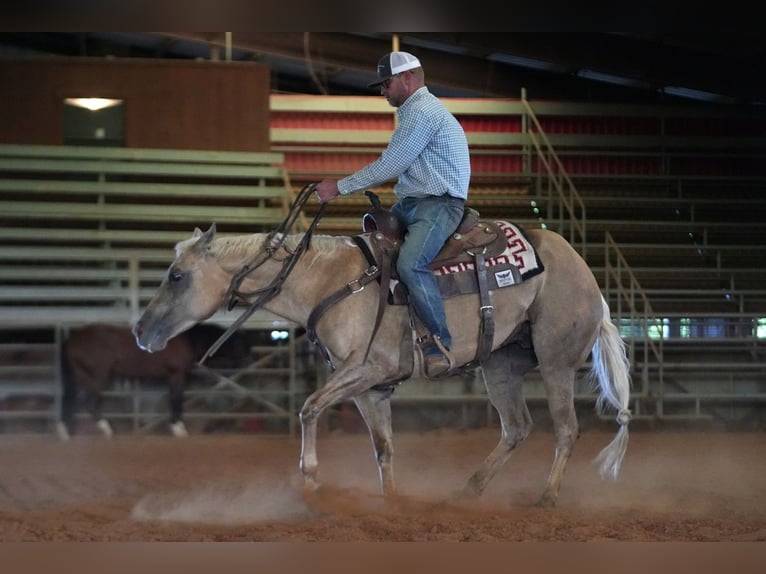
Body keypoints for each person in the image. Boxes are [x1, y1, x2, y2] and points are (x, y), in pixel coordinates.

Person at [314, 51, 471, 377]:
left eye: (386, 83)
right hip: (416, 203)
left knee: (410, 263)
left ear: (407, 79)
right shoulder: (418, 113)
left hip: (440, 204)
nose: (382, 91)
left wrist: (339, 187)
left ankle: (441, 343)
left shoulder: (422, 113)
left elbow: (391, 165)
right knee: (369, 252)